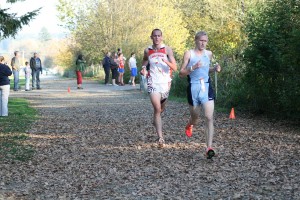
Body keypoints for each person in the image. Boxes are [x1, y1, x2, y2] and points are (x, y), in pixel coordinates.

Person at [179, 31, 221, 159]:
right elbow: (181, 73)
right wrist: (193, 67)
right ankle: (190, 124)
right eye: (201, 40)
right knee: (195, 117)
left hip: (206, 87)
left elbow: (206, 69)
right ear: (196, 40)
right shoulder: (189, 54)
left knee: (209, 117)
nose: (203, 43)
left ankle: (209, 147)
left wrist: (215, 69)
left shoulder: (209, 54)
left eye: (205, 41)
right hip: (193, 87)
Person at [142, 28, 177, 147]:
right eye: (154, 36)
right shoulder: (148, 50)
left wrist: (166, 61)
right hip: (152, 82)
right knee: (157, 108)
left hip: (165, 83)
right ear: (151, 37)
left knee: (161, 109)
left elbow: (175, 67)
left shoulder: (167, 50)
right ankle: (160, 137)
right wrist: (143, 69)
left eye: (159, 36)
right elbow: (145, 62)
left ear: (161, 37)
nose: (157, 38)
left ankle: (156, 120)